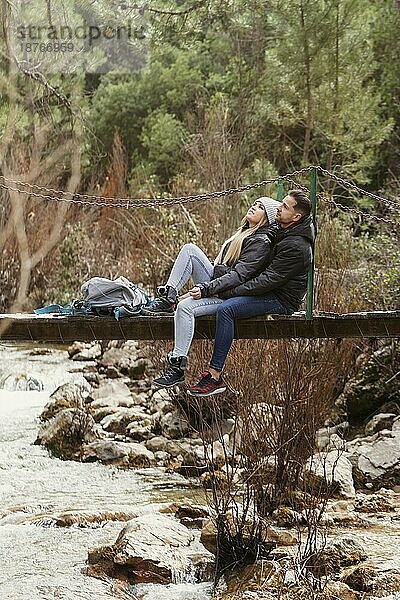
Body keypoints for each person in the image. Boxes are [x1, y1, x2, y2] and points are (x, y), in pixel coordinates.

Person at [187, 189, 315, 397]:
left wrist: (228, 291)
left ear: (296, 216)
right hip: (268, 289)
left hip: (280, 299)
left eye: (284, 207)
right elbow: (260, 239)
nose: (278, 208)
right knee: (223, 284)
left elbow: (267, 281)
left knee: (226, 310)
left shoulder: (297, 247)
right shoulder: (284, 227)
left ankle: (214, 376)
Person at [141, 197, 281, 388]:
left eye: (260, 208)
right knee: (189, 249)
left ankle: (177, 367)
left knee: (184, 308)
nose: (253, 207)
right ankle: (168, 297)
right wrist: (205, 287)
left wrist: (205, 289)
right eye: (254, 203)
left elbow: (238, 276)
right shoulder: (244, 233)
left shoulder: (261, 241)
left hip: (228, 295)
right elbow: (223, 270)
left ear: (267, 218)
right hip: (218, 286)